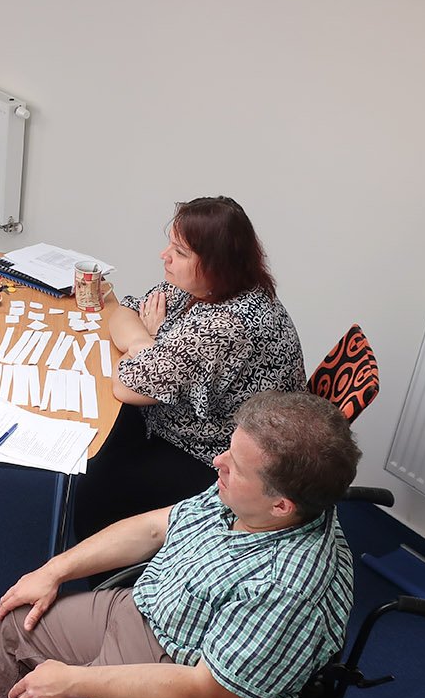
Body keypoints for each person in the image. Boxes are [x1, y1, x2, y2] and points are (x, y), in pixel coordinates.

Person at [0, 391, 361, 698]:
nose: (218, 462)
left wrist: (72, 681)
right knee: (18, 622)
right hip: (151, 608)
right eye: (229, 450)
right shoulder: (250, 497)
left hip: (180, 680)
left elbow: (208, 694)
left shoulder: (285, 589)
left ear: (282, 506)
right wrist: (55, 570)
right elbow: (154, 528)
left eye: (235, 466)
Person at [72, 196, 306, 560]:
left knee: (97, 487)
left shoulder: (224, 325)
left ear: (215, 263)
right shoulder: (208, 287)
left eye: (180, 252)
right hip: (184, 418)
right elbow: (123, 312)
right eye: (171, 245)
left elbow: (127, 385)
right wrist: (147, 342)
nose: (164, 256)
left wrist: (146, 342)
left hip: (218, 455)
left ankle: (117, 579)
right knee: (100, 434)